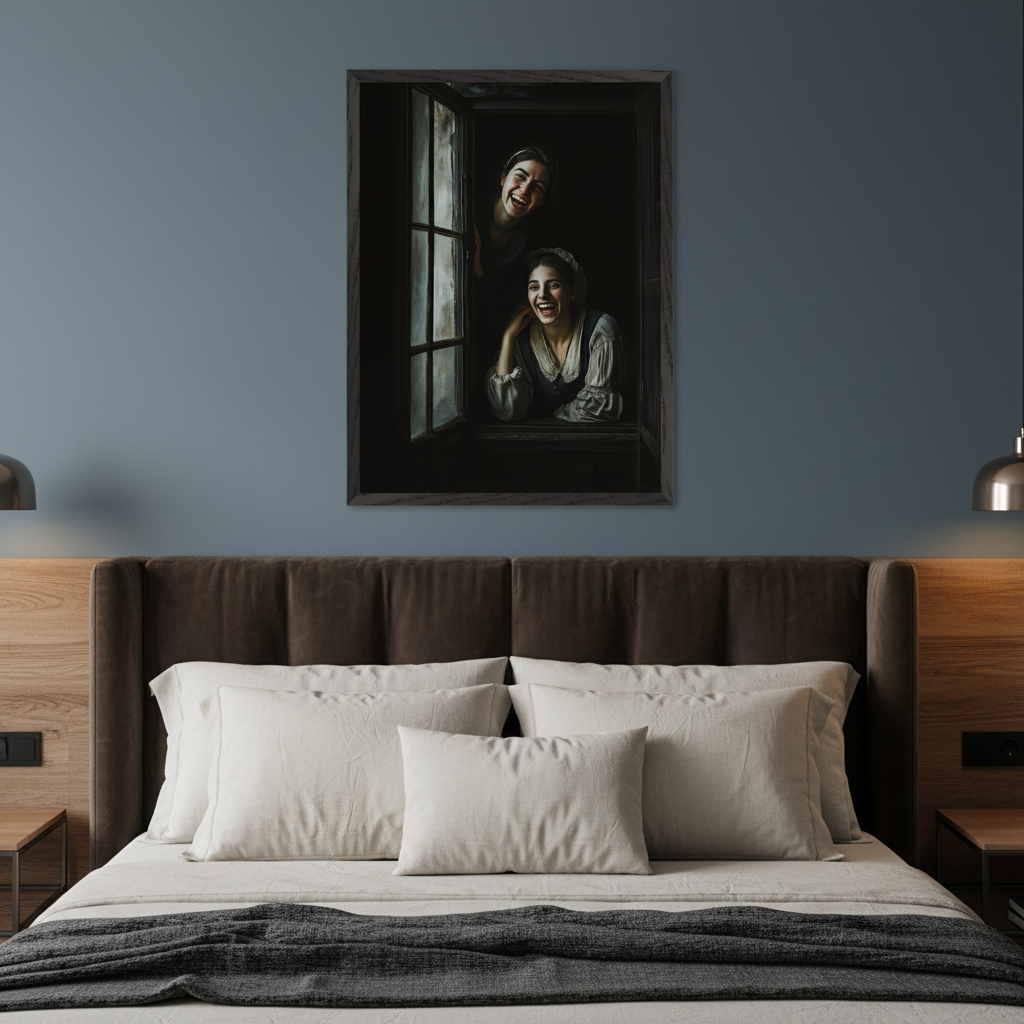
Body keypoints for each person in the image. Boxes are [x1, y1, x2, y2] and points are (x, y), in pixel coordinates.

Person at [486, 249, 626, 423]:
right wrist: (508, 336)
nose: (542, 295)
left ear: (573, 292)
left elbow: (601, 408)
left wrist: (558, 414)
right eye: (534, 287)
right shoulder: (520, 337)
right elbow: (507, 410)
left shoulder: (601, 331)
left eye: (553, 285)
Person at [473, 146, 558, 345]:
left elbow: (501, 305)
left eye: (537, 186)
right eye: (520, 176)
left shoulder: (529, 246)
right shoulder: (470, 212)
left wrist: (478, 271)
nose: (525, 189)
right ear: (503, 178)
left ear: (541, 202)